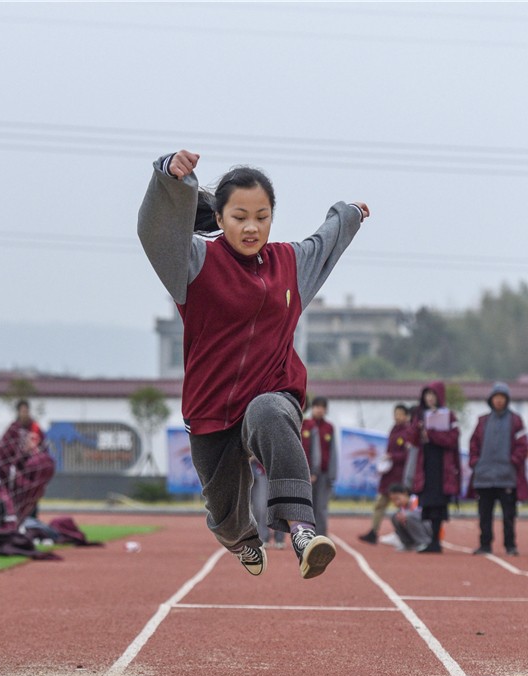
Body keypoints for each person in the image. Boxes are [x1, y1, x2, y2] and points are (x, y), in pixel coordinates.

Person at [137, 148, 368, 579]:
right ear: (220, 219)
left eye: (262, 216)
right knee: (224, 515)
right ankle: (243, 541)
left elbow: (326, 242)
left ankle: (301, 529)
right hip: (210, 410)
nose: (251, 227)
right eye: (240, 216)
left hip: (271, 389)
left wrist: (350, 213)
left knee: (269, 411)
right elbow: (157, 233)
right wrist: (168, 176)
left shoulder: (289, 265)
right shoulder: (194, 263)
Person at [467, 381, 528, 556]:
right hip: (484, 477)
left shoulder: (516, 421)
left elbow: (523, 445)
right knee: (484, 514)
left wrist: (512, 461)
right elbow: (473, 443)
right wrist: (475, 462)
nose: (499, 401)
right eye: (496, 397)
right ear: (491, 399)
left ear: (507, 399)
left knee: (509, 515)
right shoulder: (482, 421)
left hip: (507, 476)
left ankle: (510, 545)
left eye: (502, 397)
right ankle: (485, 544)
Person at [407, 381, 461, 554]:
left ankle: (436, 540)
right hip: (426, 465)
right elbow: (413, 440)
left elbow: (453, 439)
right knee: (427, 504)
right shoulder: (420, 415)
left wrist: (432, 434)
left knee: (439, 504)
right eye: (427, 394)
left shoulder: (450, 416)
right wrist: (417, 428)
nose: (430, 398)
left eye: (433, 394)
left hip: (442, 467)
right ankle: (430, 540)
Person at [0, 399, 56, 525]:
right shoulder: (13, 428)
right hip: (16, 472)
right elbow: (4, 450)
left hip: (32, 472)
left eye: (26, 411)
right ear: (18, 412)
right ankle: (18, 521)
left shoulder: (35, 428)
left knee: (32, 497)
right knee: (16, 498)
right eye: (22, 411)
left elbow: (43, 448)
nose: (25, 413)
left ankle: (32, 521)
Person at [359, 403, 411, 543]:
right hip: (388, 474)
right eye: (395, 413)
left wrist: (392, 457)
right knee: (380, 504)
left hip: (398, 476)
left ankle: (403, 533)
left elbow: (407, 455)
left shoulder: (408, 432)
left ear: (406, 416)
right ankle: (374, 531)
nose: (397, 417)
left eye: (400, 414)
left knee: (401, 506)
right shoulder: (394, 429)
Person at [301, 396, 338, 537]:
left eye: (323, 407)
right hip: (307, 473)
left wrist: (332, 474)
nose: (320, 410)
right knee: (308, 506)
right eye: (317, 407)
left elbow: (333, 452)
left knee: (321, 507)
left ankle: (321, 536)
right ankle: (307, 535)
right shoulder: (306, 425)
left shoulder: (329, 428)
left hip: (323, 473)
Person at [386, 483, 433, 551]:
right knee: (395, 517)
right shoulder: (403, 507)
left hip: (429, 527)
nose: (396, 503)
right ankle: (408, 543)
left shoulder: (416, 500)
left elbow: (424, 515)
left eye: (397, 498)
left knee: (408, 517)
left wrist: (406, 515)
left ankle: (424, 542)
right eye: (393, 500)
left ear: (405, 493)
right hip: (418, 525)